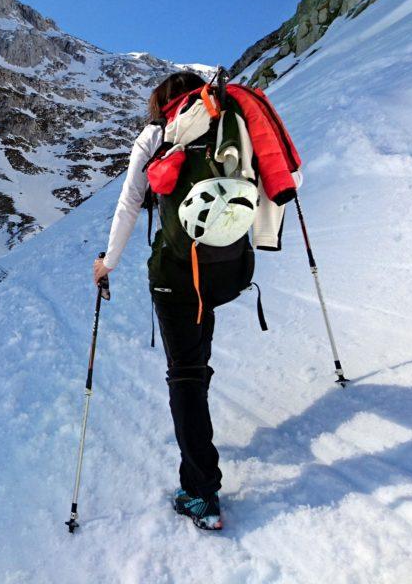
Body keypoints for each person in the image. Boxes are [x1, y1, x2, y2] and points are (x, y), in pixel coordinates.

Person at [92, 70, 259, 532]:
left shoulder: (156, 135)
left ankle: (201, 492)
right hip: (226, 267)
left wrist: (108, 262)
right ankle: (199, 445)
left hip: (174, 274)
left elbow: (129, 204)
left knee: (183, 375)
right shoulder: (231, 121)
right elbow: (287, 176)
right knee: (196, 361)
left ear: (162, 101)